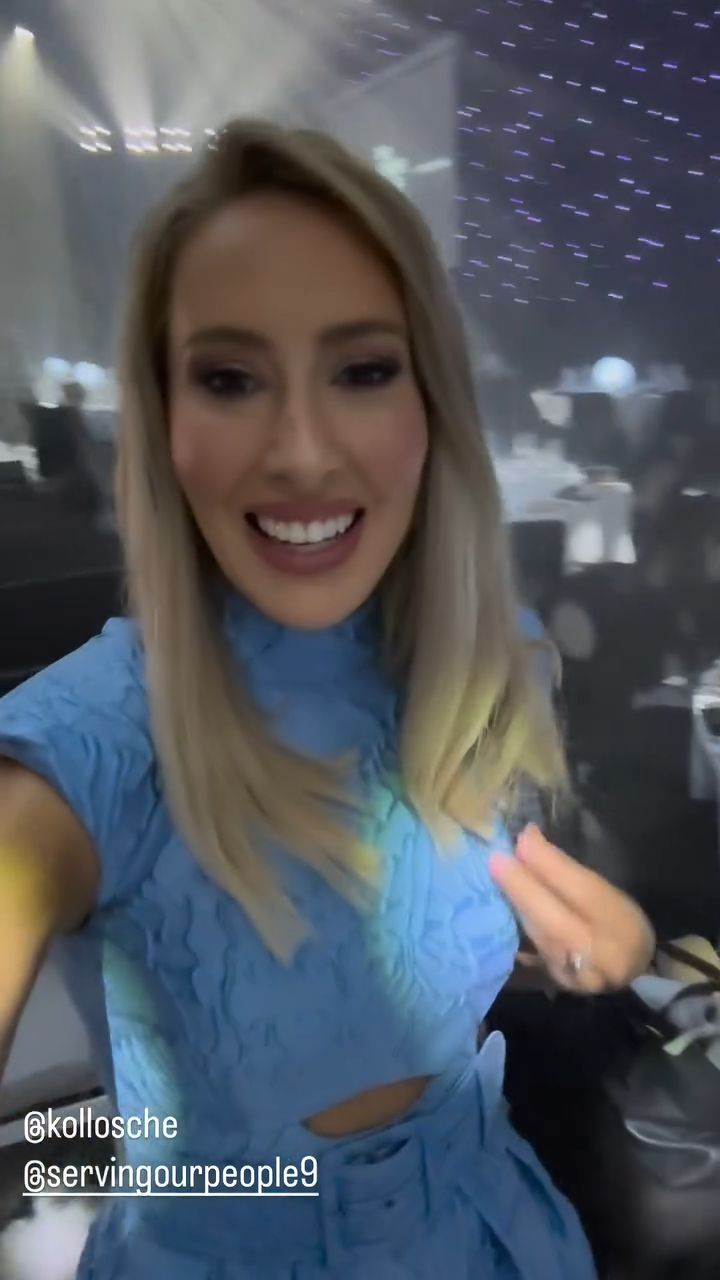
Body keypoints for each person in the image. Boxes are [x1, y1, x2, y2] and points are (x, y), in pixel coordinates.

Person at [0, 119, 655, 1278]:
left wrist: (591, 951)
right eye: (230, 378)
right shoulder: (88, 748)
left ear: (431, 403)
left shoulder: (491, 663)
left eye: (361, 370)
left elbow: (406, 950)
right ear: (163, 418)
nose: (302, 451)